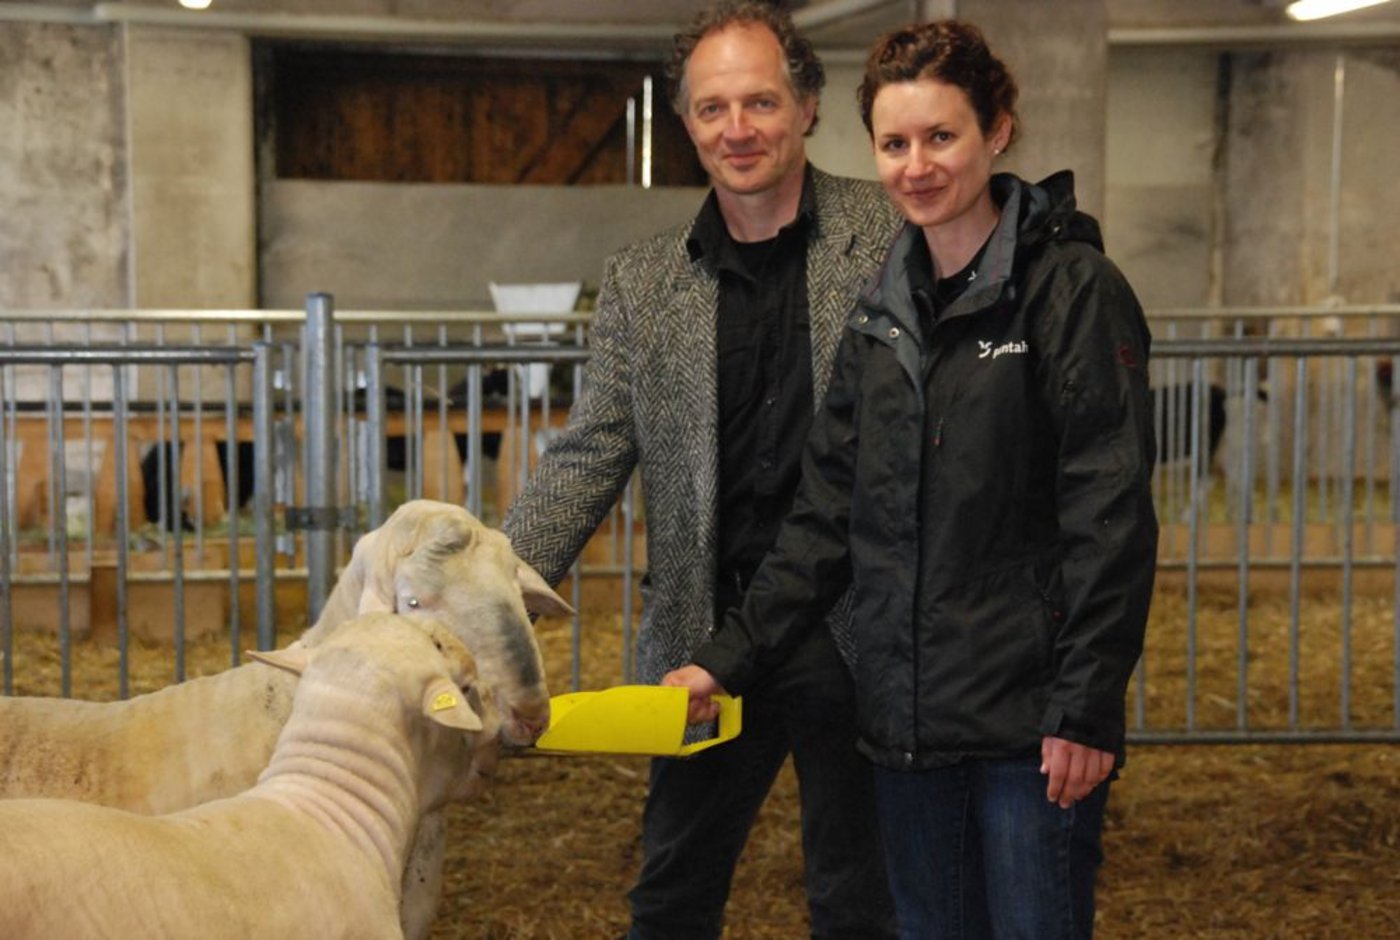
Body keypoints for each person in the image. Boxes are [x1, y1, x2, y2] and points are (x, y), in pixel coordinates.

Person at [665, 19, 1159, 940]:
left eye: (942, 136)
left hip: (1028, 732)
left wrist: (1085, 709)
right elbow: (823, 520)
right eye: (895, 144)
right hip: (903, 729)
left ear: (997, 130)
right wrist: (724, 661)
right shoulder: (882, 313)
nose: (917, 166)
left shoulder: (1070, 292)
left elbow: (1110, 516)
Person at [500, 2, 902, 938]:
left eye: (760, 102)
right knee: (672, 895)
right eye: (712, 109)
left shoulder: (889, 239)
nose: (737, 129)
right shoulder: (643, 281)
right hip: (706, 636)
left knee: (858, 897)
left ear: (807, 105)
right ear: (685, 124)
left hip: (854, 624)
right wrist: (496, 590)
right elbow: (593, 448)